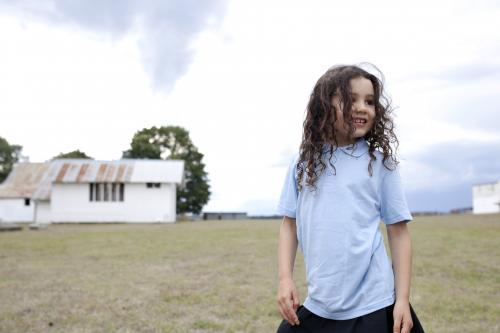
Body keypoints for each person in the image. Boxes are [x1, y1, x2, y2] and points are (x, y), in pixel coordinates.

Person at [276, 64, 425, 333]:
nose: (362, 107)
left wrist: (401, 299)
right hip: (321, 303)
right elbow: (289, 224)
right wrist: (285, 279)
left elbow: (399, 233)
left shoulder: (381, 165)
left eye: (369, 101)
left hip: (374, 304)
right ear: (324, 104)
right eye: (351, 99)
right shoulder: (302, 164)